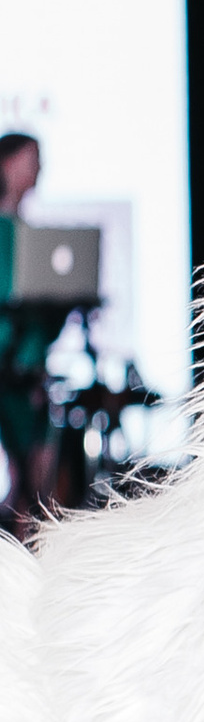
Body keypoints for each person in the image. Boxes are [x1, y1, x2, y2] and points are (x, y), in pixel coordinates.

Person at [0, 133, 58, 535]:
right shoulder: (9, 235)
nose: (40, 168)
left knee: (35, 482)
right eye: (32, 158)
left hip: (24, 371)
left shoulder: (27, 234)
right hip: (9, 367)